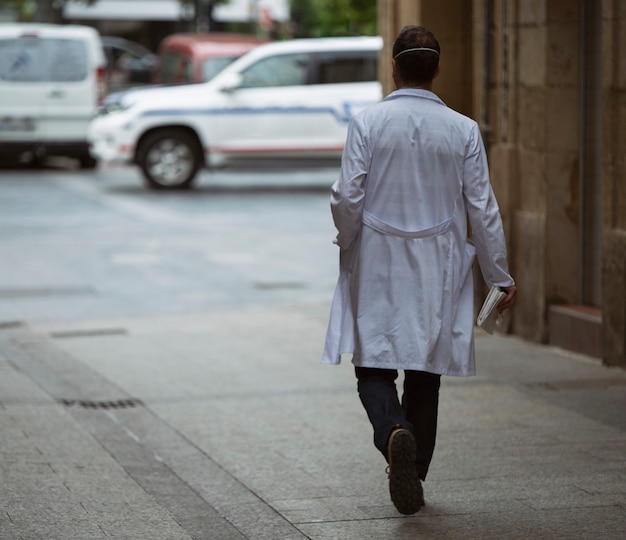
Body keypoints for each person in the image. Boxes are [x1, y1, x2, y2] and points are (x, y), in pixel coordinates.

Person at [322, 25, 517, 515]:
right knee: (425, 374)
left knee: (373, 365)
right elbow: (483, 207)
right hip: (439, 263)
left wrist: (349, 241)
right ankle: (414, 469)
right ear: (437, 69)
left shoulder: (367, 123)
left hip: (379, 261)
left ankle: (393, 433)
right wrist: (499, 273)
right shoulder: (463, 128)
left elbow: (347, 196)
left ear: (393, 67)